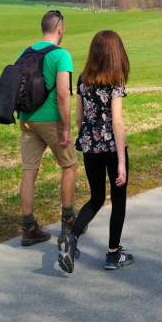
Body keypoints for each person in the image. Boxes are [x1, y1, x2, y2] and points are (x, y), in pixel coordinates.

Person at [58, 30, 132, 273]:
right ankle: (113, 254)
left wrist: (90, 138)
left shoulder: (82, 79)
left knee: (97, 197)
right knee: (118, 198)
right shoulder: (115, 81)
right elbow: (118, 122)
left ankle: (72, 236)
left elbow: (79, 118)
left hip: (90, 145)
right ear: (115, 53)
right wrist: (121, 161)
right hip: (112, 146)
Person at [18, 10, 76, 246]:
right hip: (51, 119)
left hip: (27, 118)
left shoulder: (25, 52)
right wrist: (67, 128)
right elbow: (63, 93)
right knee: (69, 165)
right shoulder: (62, 55)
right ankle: (68, 221)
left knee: (29, 171)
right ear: (60, 29)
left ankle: (28, 227)